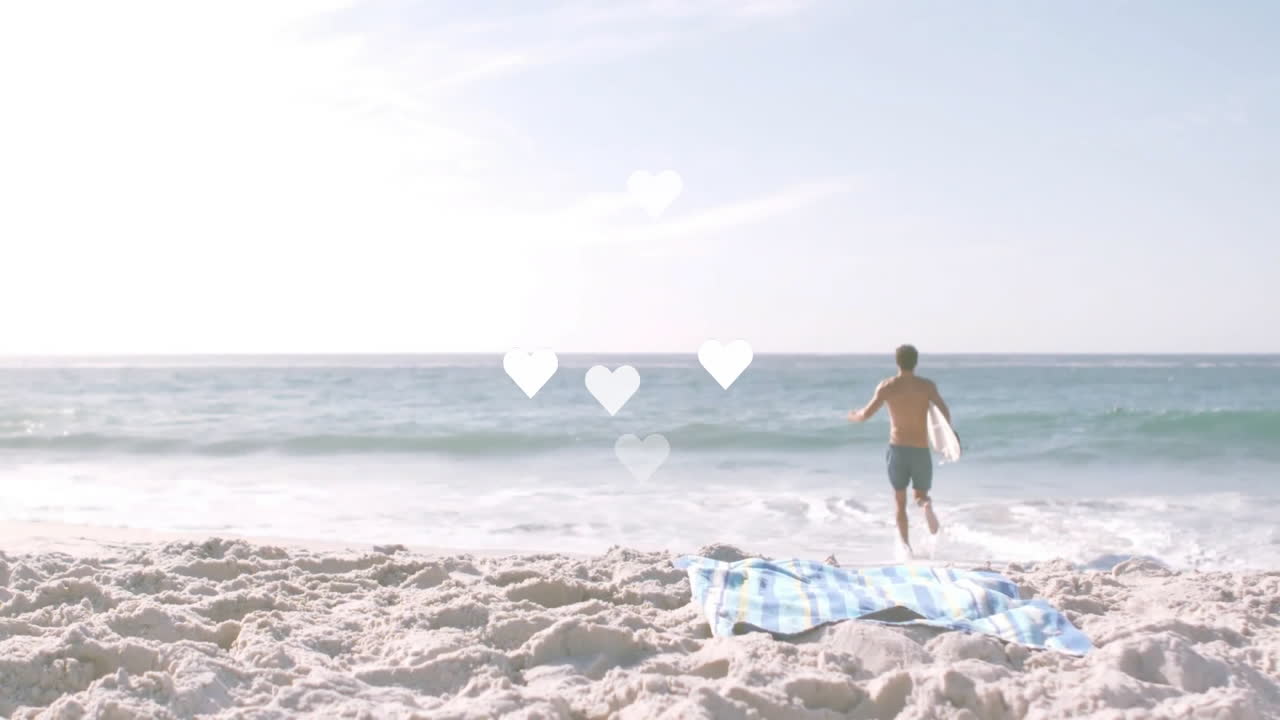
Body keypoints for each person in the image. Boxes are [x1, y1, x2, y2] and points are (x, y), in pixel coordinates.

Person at [846, 344, 951, 559]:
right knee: (920, 495)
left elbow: (866, 414)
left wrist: (854, 416)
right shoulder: (927, 386)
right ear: (916, 362)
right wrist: (946, 439)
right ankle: (925, 505)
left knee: (900, 502)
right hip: (920, 449)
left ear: (897, 362)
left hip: (898, 450)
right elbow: (944, 413)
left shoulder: (887, 386)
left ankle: (906, 548)